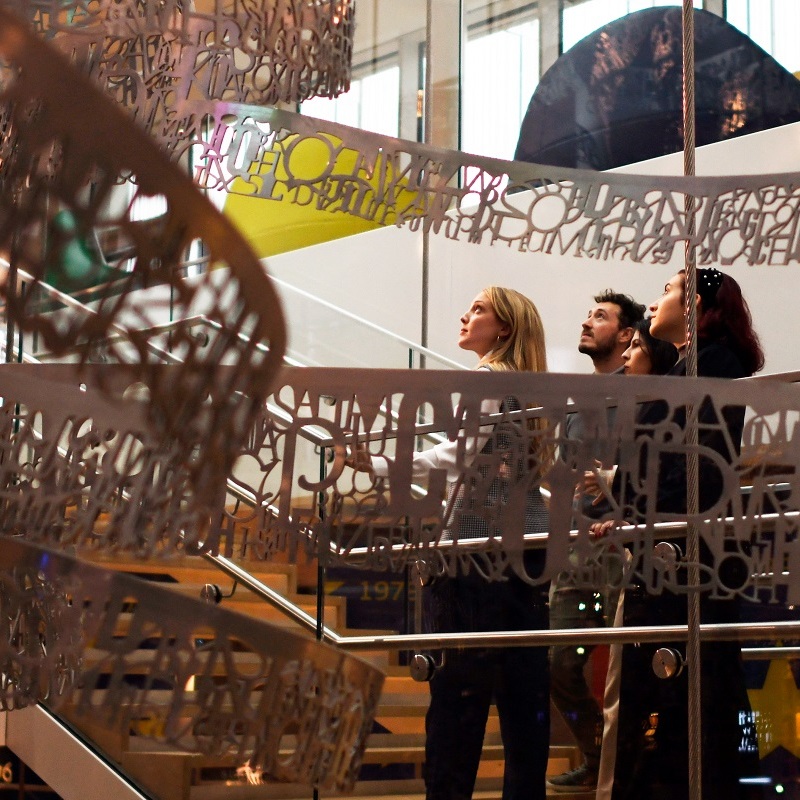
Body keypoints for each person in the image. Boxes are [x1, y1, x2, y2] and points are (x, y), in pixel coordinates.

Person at [351, 286, 553, 800]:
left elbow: (458, 454)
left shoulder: (485, 377)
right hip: (523, 555)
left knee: (457, 708)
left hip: (474, 558)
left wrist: (377, 464)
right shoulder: (528, 386)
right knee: (522, 708)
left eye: (479, 309)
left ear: (503, 329)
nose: (465, 315)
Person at [605, 268, 764, 800]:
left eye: (668, 291)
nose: (654, 302)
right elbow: (640, 467)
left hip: (687, 554)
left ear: (694, 302)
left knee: (696, 692)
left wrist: (638, 510)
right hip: (660, 550)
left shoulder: (715, 363)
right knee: (666, 690)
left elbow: (692, 466)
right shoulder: (678, 370)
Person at [547, 290, 645, 793]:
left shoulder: (641, 389)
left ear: (627, 334)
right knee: (557, 660)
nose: (587, 323)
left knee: (628, 672)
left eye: (600, 317)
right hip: (577, 547)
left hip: (624, 545)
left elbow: (651, 470)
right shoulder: (574, 402)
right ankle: (595, 756)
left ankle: (623, 773)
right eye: (587, 315)